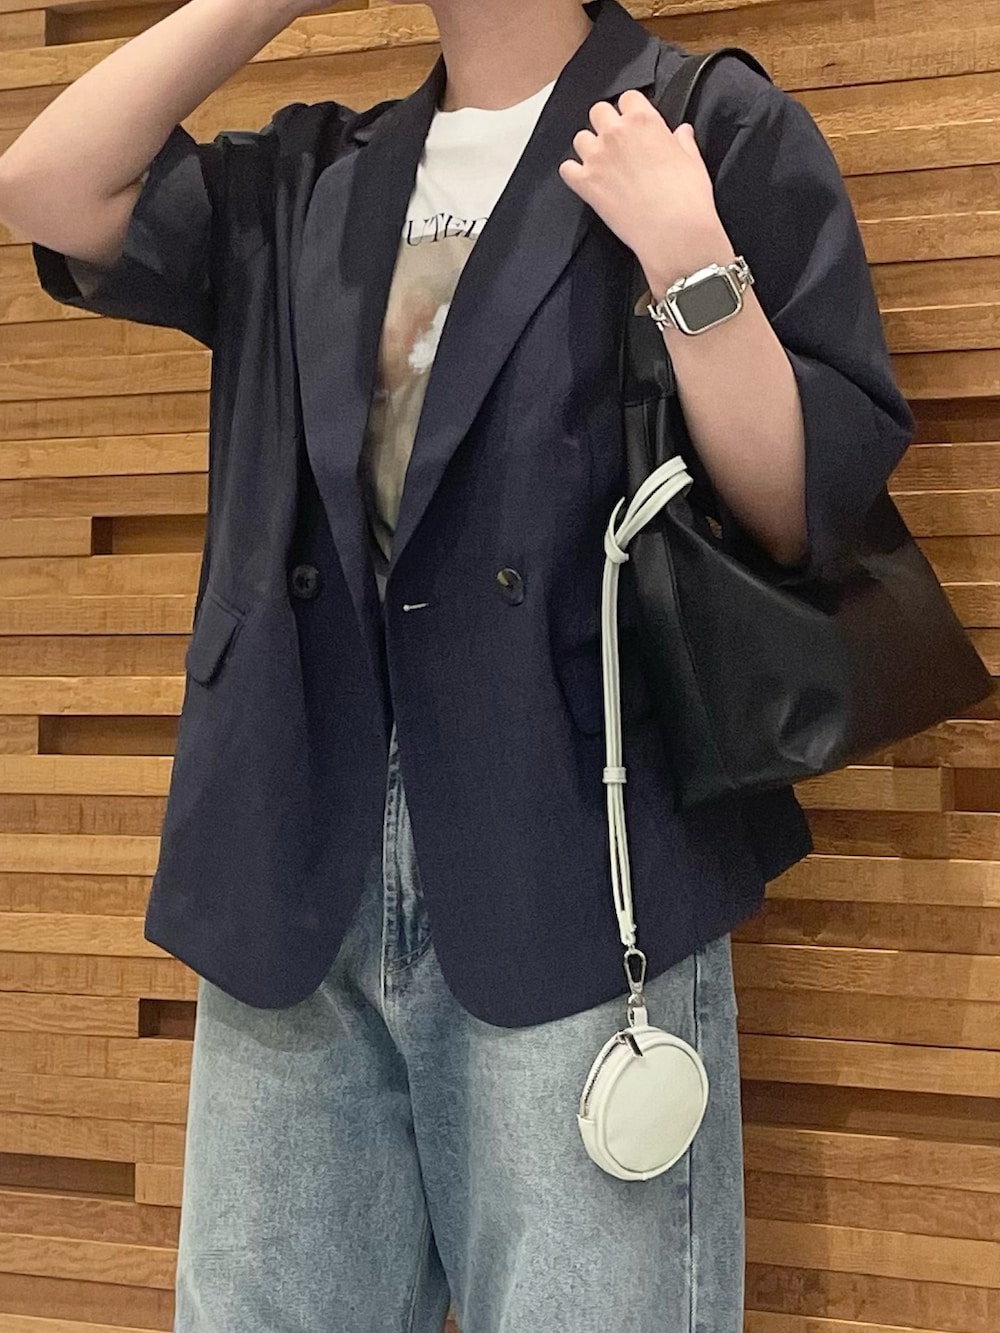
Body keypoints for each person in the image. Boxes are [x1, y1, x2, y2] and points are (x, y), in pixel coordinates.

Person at [0, 0, 914, 1329]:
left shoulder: (702, 122)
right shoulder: (319, 173)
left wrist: (687, 253)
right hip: (291, 873)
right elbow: (45, 185)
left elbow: (796, 508)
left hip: (574, 861)